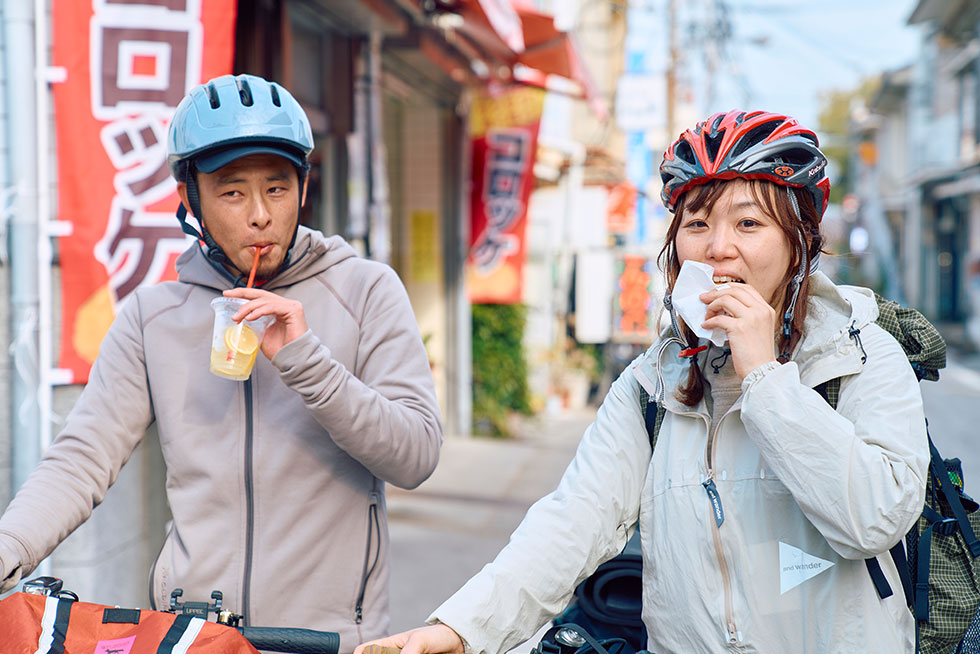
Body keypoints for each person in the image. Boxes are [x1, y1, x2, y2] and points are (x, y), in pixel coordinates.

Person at [355, 110, 928, 653]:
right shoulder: (654, 382)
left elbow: (873, 520)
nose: (718, 248)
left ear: (799, 238)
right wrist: (461, 628)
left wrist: (766, 380)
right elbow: (575, 520)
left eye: (749, 224)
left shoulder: (860, 355)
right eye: (698, 224)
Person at [0, 74, 443, 650]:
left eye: (277, 189)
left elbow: (415, 455)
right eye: (232, 192)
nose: (260, 215)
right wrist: (8, 548)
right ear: (191, 201)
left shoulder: (365, 291)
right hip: (192, 635)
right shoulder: (152, 317)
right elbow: (81, 459)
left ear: (303, 190)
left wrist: (308, 362)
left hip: (327, 639)